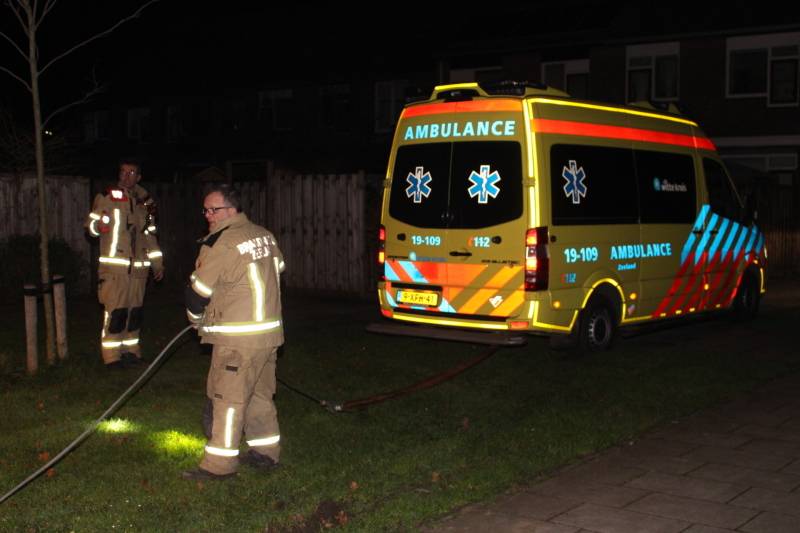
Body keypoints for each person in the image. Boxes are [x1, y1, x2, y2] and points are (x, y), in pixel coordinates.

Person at [182, 184, 285, 481]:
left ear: (232, 210)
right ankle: (266, 453)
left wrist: (196, 321)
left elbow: (197, 293)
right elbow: (278, 266)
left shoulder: (222, 243)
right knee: (260, 396)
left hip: (237, 340)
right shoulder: (265, 235)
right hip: (268, 336)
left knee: (227, 401)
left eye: (214, 210)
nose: (208, 215)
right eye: (205, 210)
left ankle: (219, 466)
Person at [86, 158, 164, 369]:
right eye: (123, 172)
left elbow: (150, 235)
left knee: (134, 313)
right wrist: (98, 225)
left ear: (139, 177)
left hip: (139, 271)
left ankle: (131, 352)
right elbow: (91, 224)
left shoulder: (145, 202)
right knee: (116, 313)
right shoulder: (107, 196)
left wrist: (157, 264)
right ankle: (112, 357)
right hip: (115, 269)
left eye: (131, 173)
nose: (126, 176)